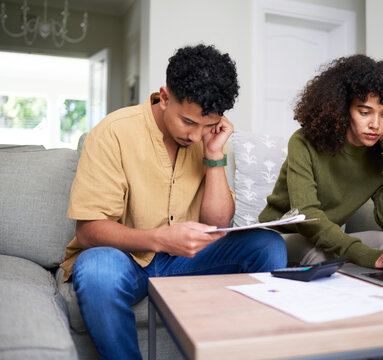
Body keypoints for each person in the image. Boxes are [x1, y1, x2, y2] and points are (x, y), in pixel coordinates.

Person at [60, 44, 286, 360]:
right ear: (165, 97)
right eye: (188, 122)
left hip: (188, 259)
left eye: (208, 125)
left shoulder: (208, 139)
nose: (196, 135)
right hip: (127, 261)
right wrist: (161, 239)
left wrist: (214, 155)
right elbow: (88, 232)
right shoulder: (113, 132)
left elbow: (219, 224)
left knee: (268, 245)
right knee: (97, 270)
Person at [259, 54, 383, 269]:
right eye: (364, 112)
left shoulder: (382, 154)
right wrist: (364, 254)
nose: (375, 124)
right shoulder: (304, 141)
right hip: (279, 236)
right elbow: (306, 215)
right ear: (344, 110)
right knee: (320, 254)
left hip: (327, 238)